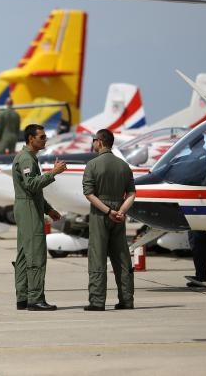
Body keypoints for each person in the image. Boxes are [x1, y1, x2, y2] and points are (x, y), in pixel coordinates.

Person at [12, 124, 66, 311]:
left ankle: (23, 296)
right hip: (28, 209)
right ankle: (35, 299)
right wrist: (54, 173)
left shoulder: (28, 157)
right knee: (35, 254)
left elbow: (33, 192)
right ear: (30, 139)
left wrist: (48, 209)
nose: (45, 140)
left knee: (24, 255)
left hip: (28, 206)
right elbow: (32, 185)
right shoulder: (27, 159)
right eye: (42, 137)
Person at [82, 128, 137, 311]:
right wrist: (120, 211)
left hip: (101, 214)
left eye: (93, 140)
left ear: (100, 141)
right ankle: (126, 300)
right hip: (119, 214)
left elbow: (89, 194)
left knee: (98, 256)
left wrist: (107, 211)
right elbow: (131, 193)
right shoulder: (123, 165)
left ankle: (97, 301)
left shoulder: (92, 165)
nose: (93, 143)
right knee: (121, 257)